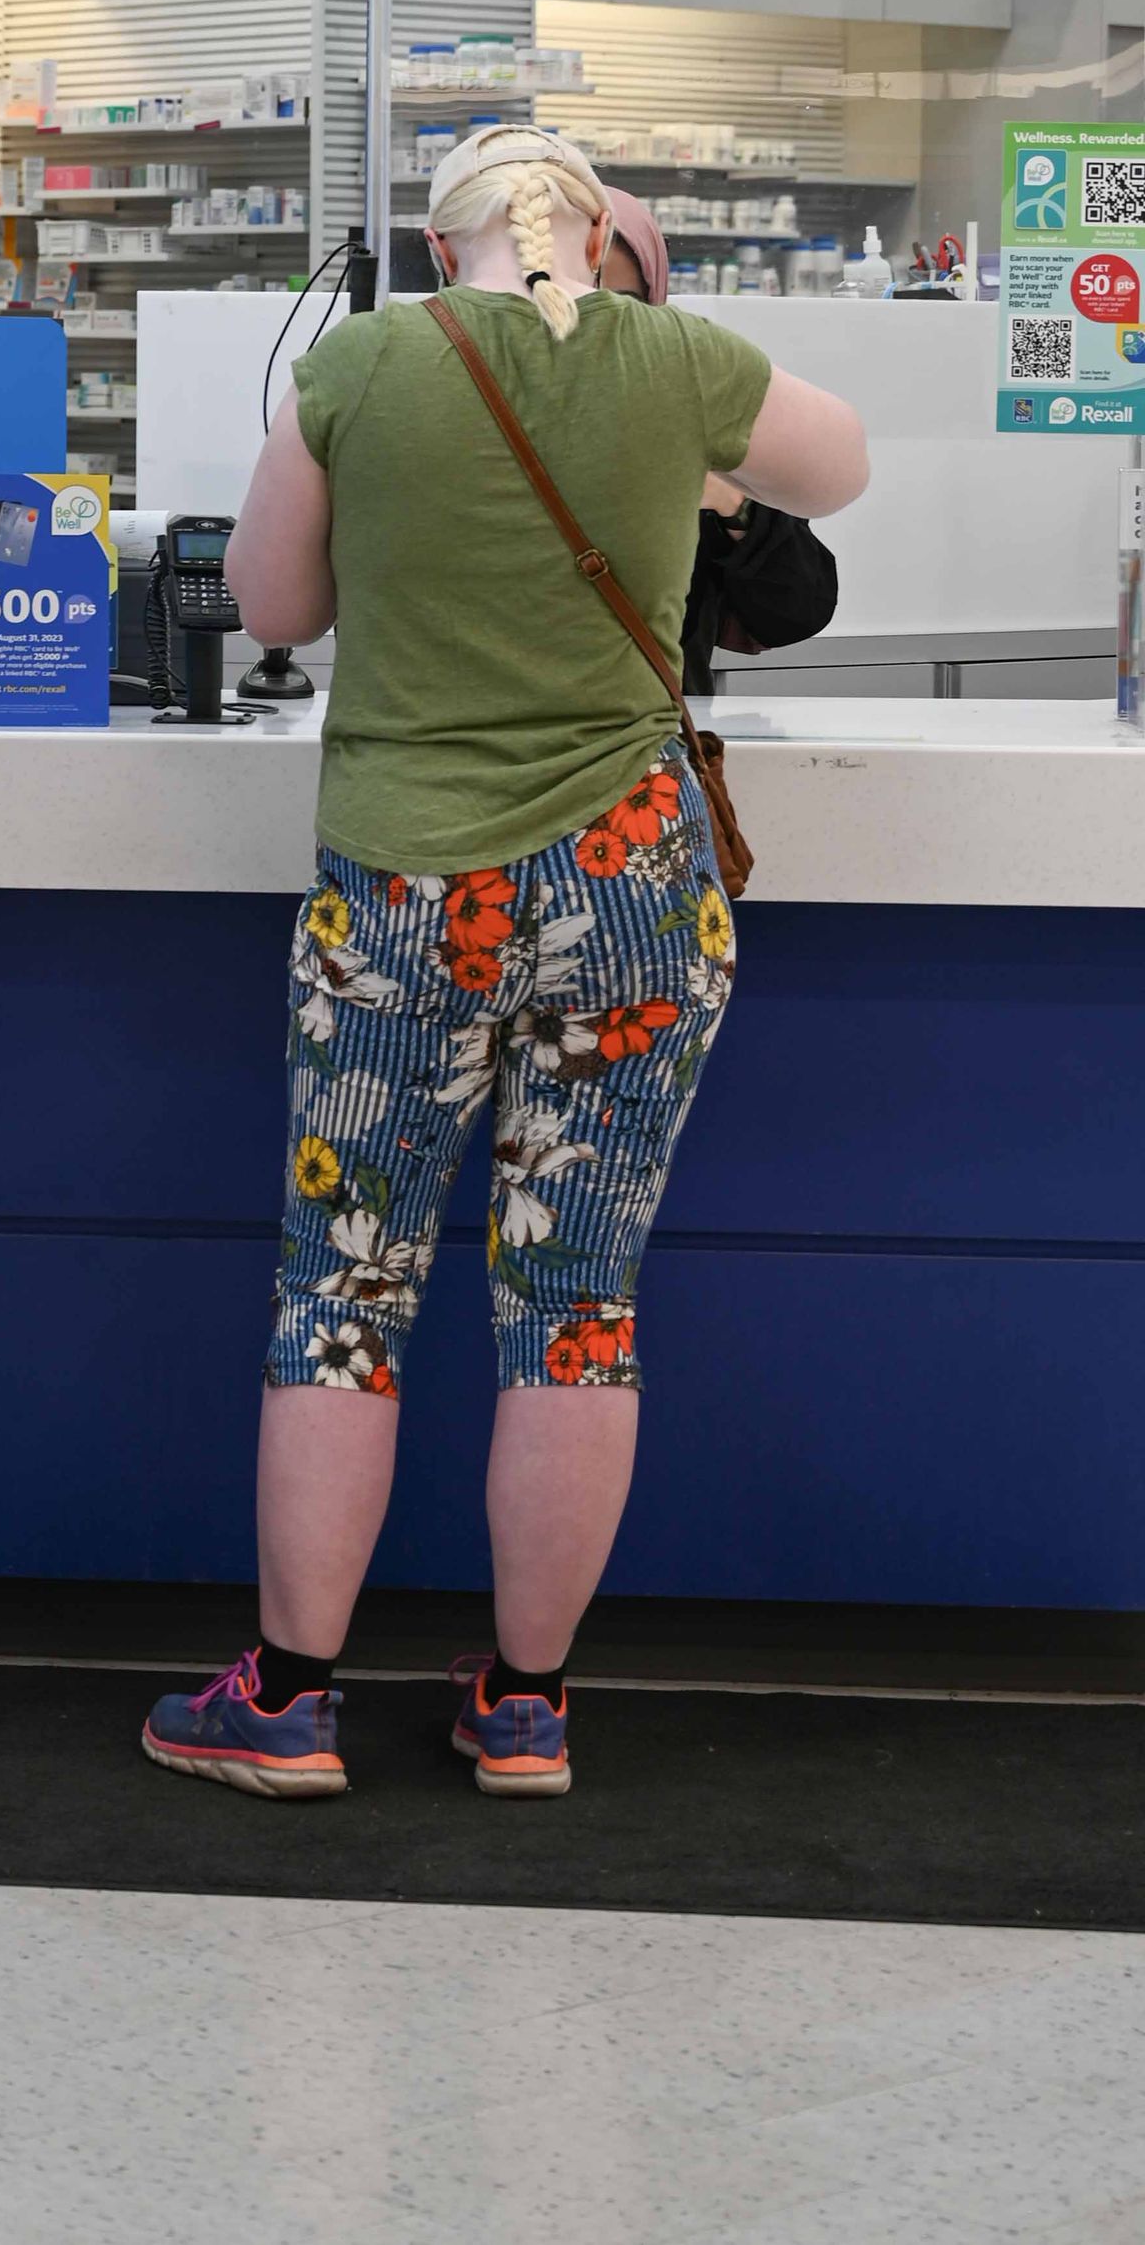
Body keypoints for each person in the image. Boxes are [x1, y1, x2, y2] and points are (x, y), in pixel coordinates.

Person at [142, 126, 866, 1802]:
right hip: (629, 885)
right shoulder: (676, 358)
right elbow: (837, 477)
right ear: (600, 230)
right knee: (576, 1309)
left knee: (345, 1292)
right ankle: (526, 1704)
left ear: (433, 235)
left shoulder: (363, 364)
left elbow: (266, 603)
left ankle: (291, 1700)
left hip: (407, 887)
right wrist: (654, 346)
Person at [599, 186, 841, 696]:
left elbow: (796, 610)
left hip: (653, 746)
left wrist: (729, 502)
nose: (596, 326)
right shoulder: (463, 417)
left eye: (623, 306)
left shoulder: (685, 408)